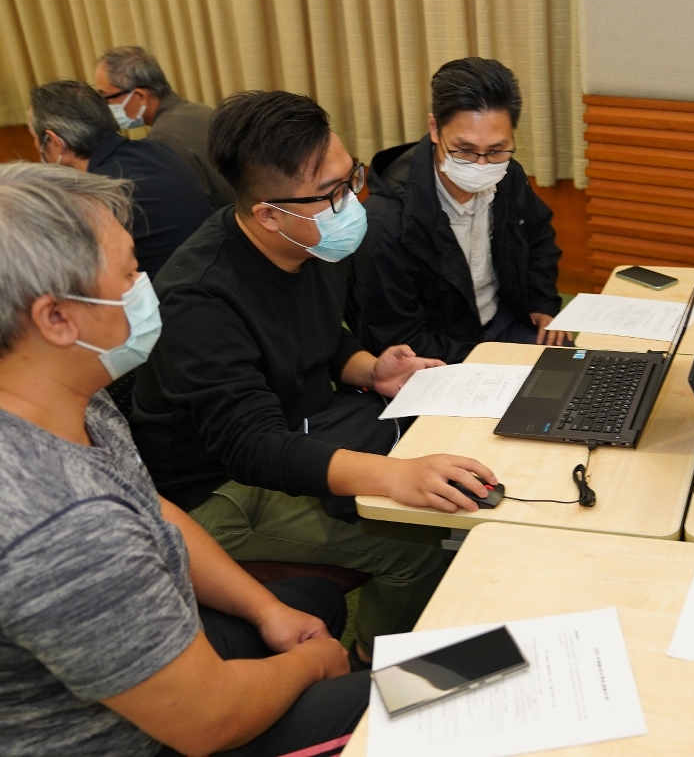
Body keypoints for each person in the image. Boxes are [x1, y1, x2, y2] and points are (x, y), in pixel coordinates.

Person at [0, 163, 366, 757]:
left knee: (311, 602)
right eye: (129, 273)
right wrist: (311, 666)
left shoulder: (67, 394)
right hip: (141, 740)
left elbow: (150, 508)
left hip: (150, 655)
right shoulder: (63, 526)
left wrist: (266, 609)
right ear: (57, 318)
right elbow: (207, 721)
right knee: (409, 704)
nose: (147, 285)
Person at [129, 90, 499, 665]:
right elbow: (253, 448)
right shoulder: (199, 300)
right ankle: (370, 666)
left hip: (299, 428)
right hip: (214, 490)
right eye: (331, 193)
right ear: (268, 213)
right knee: (420, 542)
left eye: (351, 178)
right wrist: (392, 477)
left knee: (450, 456)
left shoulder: (310, 242)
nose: (351, 202)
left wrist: (369, 368)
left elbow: (316, 338)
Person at [352, 57, 566, 363]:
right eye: (465, 150)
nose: (481, 164)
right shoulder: (386, 221)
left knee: (574, 372)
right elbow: (398, 336)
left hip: (502, 319)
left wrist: (542, 302)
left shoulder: (508, 175)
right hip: (438, 347)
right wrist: (489, 360)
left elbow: (538, 235)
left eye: (496, 150)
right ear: (434, 128)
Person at [28, 79, 212, 280]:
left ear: (54, 141)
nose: (35, 146)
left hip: (168, 292)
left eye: (34, 138)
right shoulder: (155, 149)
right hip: (212, 275)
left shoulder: (97, 194)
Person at [96, 45, 236, 209]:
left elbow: (191, 205)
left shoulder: (161, 140)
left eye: (106, 98)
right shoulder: (199, 110)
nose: (105, 106)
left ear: (140, 96)